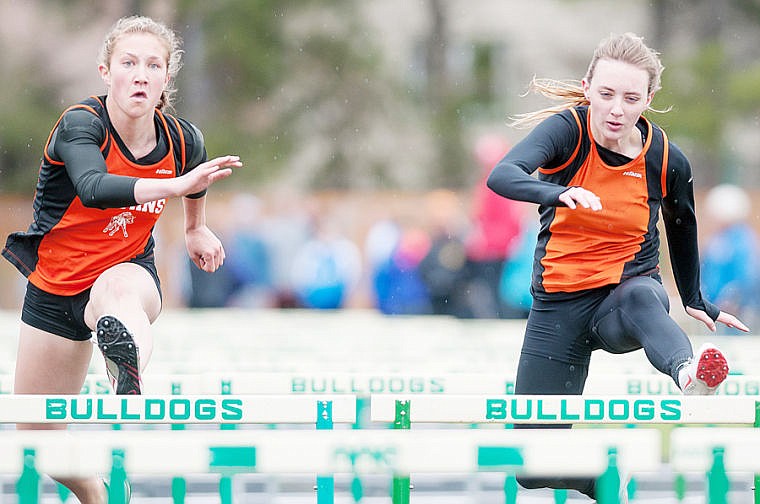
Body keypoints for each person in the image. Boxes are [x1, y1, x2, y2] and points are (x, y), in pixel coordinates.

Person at [486, 32, 748, 500]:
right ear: (587, 87)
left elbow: (682, 225)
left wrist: (694, 299)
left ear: (648, 99)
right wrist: (556, 192)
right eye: (606, 94)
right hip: (558, 309)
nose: (616, 110)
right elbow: (502, 175)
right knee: (528, 464)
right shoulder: (566, 131)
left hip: (622, 298)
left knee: (645, 297)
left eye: (630, 98)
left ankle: (689, 372)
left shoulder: (666, 158)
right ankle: (605, 483)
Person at [2, 15, 242, 503]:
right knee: (36, 440)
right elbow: (93, 189)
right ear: (105, 71)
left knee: (116, 293)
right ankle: (103, 495)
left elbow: (195, 175)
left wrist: (195, 228)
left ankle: (125, 365)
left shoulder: (182, 139)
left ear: (166, 79)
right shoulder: (81, 125)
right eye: (129, 63)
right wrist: (173, 187)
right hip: (55, 288)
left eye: (153, 65)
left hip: (128, 272)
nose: (141, 74)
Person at [700, 184, 760, 333]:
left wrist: (734, 298)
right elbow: (703, 270)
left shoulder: (742, 240)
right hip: (714, 310)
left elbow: (748, 275)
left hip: (738, 312)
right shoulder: (715, 240)